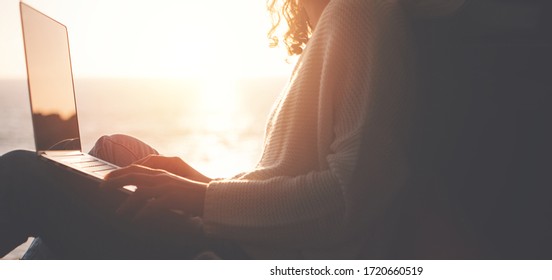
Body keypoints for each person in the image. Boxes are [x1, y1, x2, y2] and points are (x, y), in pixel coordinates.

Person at [0, 0, 467, 259]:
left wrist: (202, 200)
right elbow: (290, 176)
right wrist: (204, 183)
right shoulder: (330, 22)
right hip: (239, 239)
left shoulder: (362, 13)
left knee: (22, 175)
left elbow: (346, 202)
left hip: (244, 257)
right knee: (113, 150)